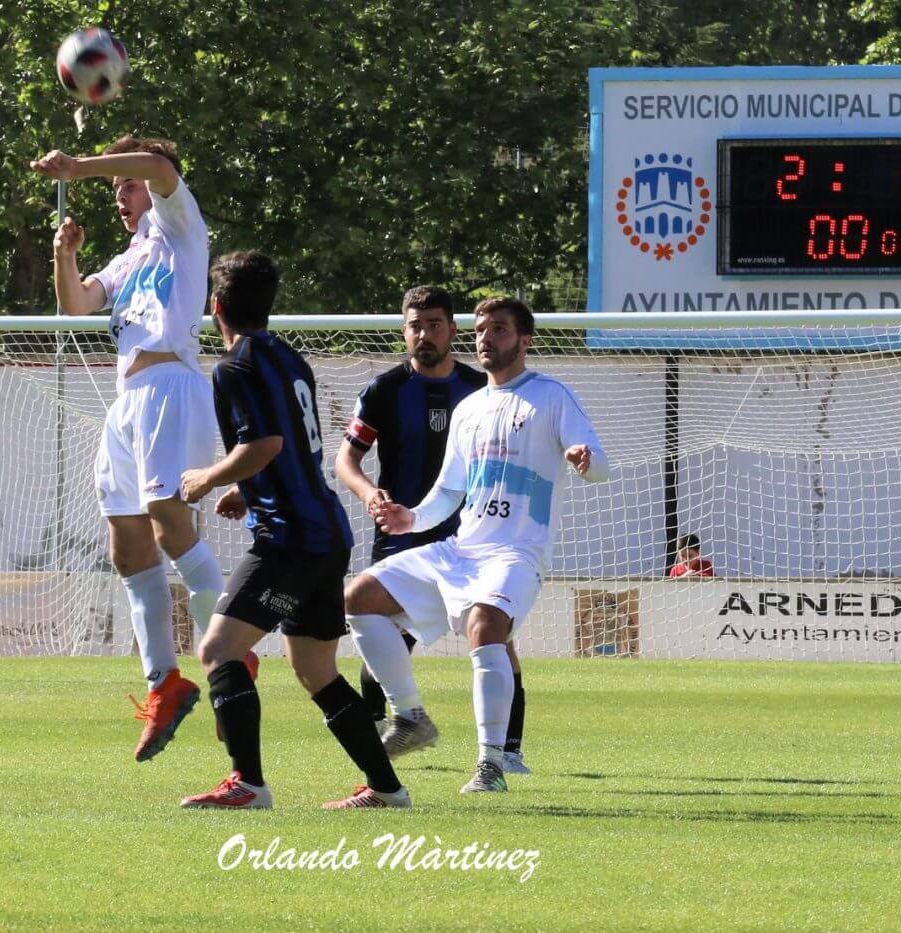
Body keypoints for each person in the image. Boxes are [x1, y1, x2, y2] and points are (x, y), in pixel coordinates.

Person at [345, 297, 609, 793]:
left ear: (525, 340)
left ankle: (492, 764)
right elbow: (449, 491)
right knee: (359, 596)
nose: (486, 338)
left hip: (517, 552)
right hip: (462, 548)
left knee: (485, 626)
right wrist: (410, 517)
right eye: (481, 329)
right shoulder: (469, 408)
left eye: (500, 329)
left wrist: (585, 459)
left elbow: (601, 467)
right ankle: (410, 717)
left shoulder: (551, 396)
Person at [177, 251, 410, 810]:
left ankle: (248, 784)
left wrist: (208, 478)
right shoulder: (288, 357)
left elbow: (265, 444)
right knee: (315, 669)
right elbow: (295, 448)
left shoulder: (234, 366)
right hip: (324, 532)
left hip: (290, 540)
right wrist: (247, 488)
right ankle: (387, 788)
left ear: (216, 306)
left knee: (218, 650)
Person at [30, 136, 228, 763]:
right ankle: (163, 683)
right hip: (128, 399)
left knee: (170, 522)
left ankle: (231, 656)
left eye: (126, 184)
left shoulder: (178, 224)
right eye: (115, 187)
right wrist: (63, 256)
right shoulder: (130, 254)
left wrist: (79, 167)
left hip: (170, 384)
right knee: (127, 544)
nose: (120, 193)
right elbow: (76, 304)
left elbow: (160, 165)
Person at [335, 285, 533, 775]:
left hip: (472, 540)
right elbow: (346, 460)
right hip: (402, 533)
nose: (424, 335)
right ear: (404, 331)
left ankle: (509, 751)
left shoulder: (482, 389)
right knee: (380, 636)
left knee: (495, 637)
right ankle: (381, 739)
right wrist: (369, 494)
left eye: (434, 325)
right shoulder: (384, 390)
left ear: (452, 330)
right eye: (415, 326)